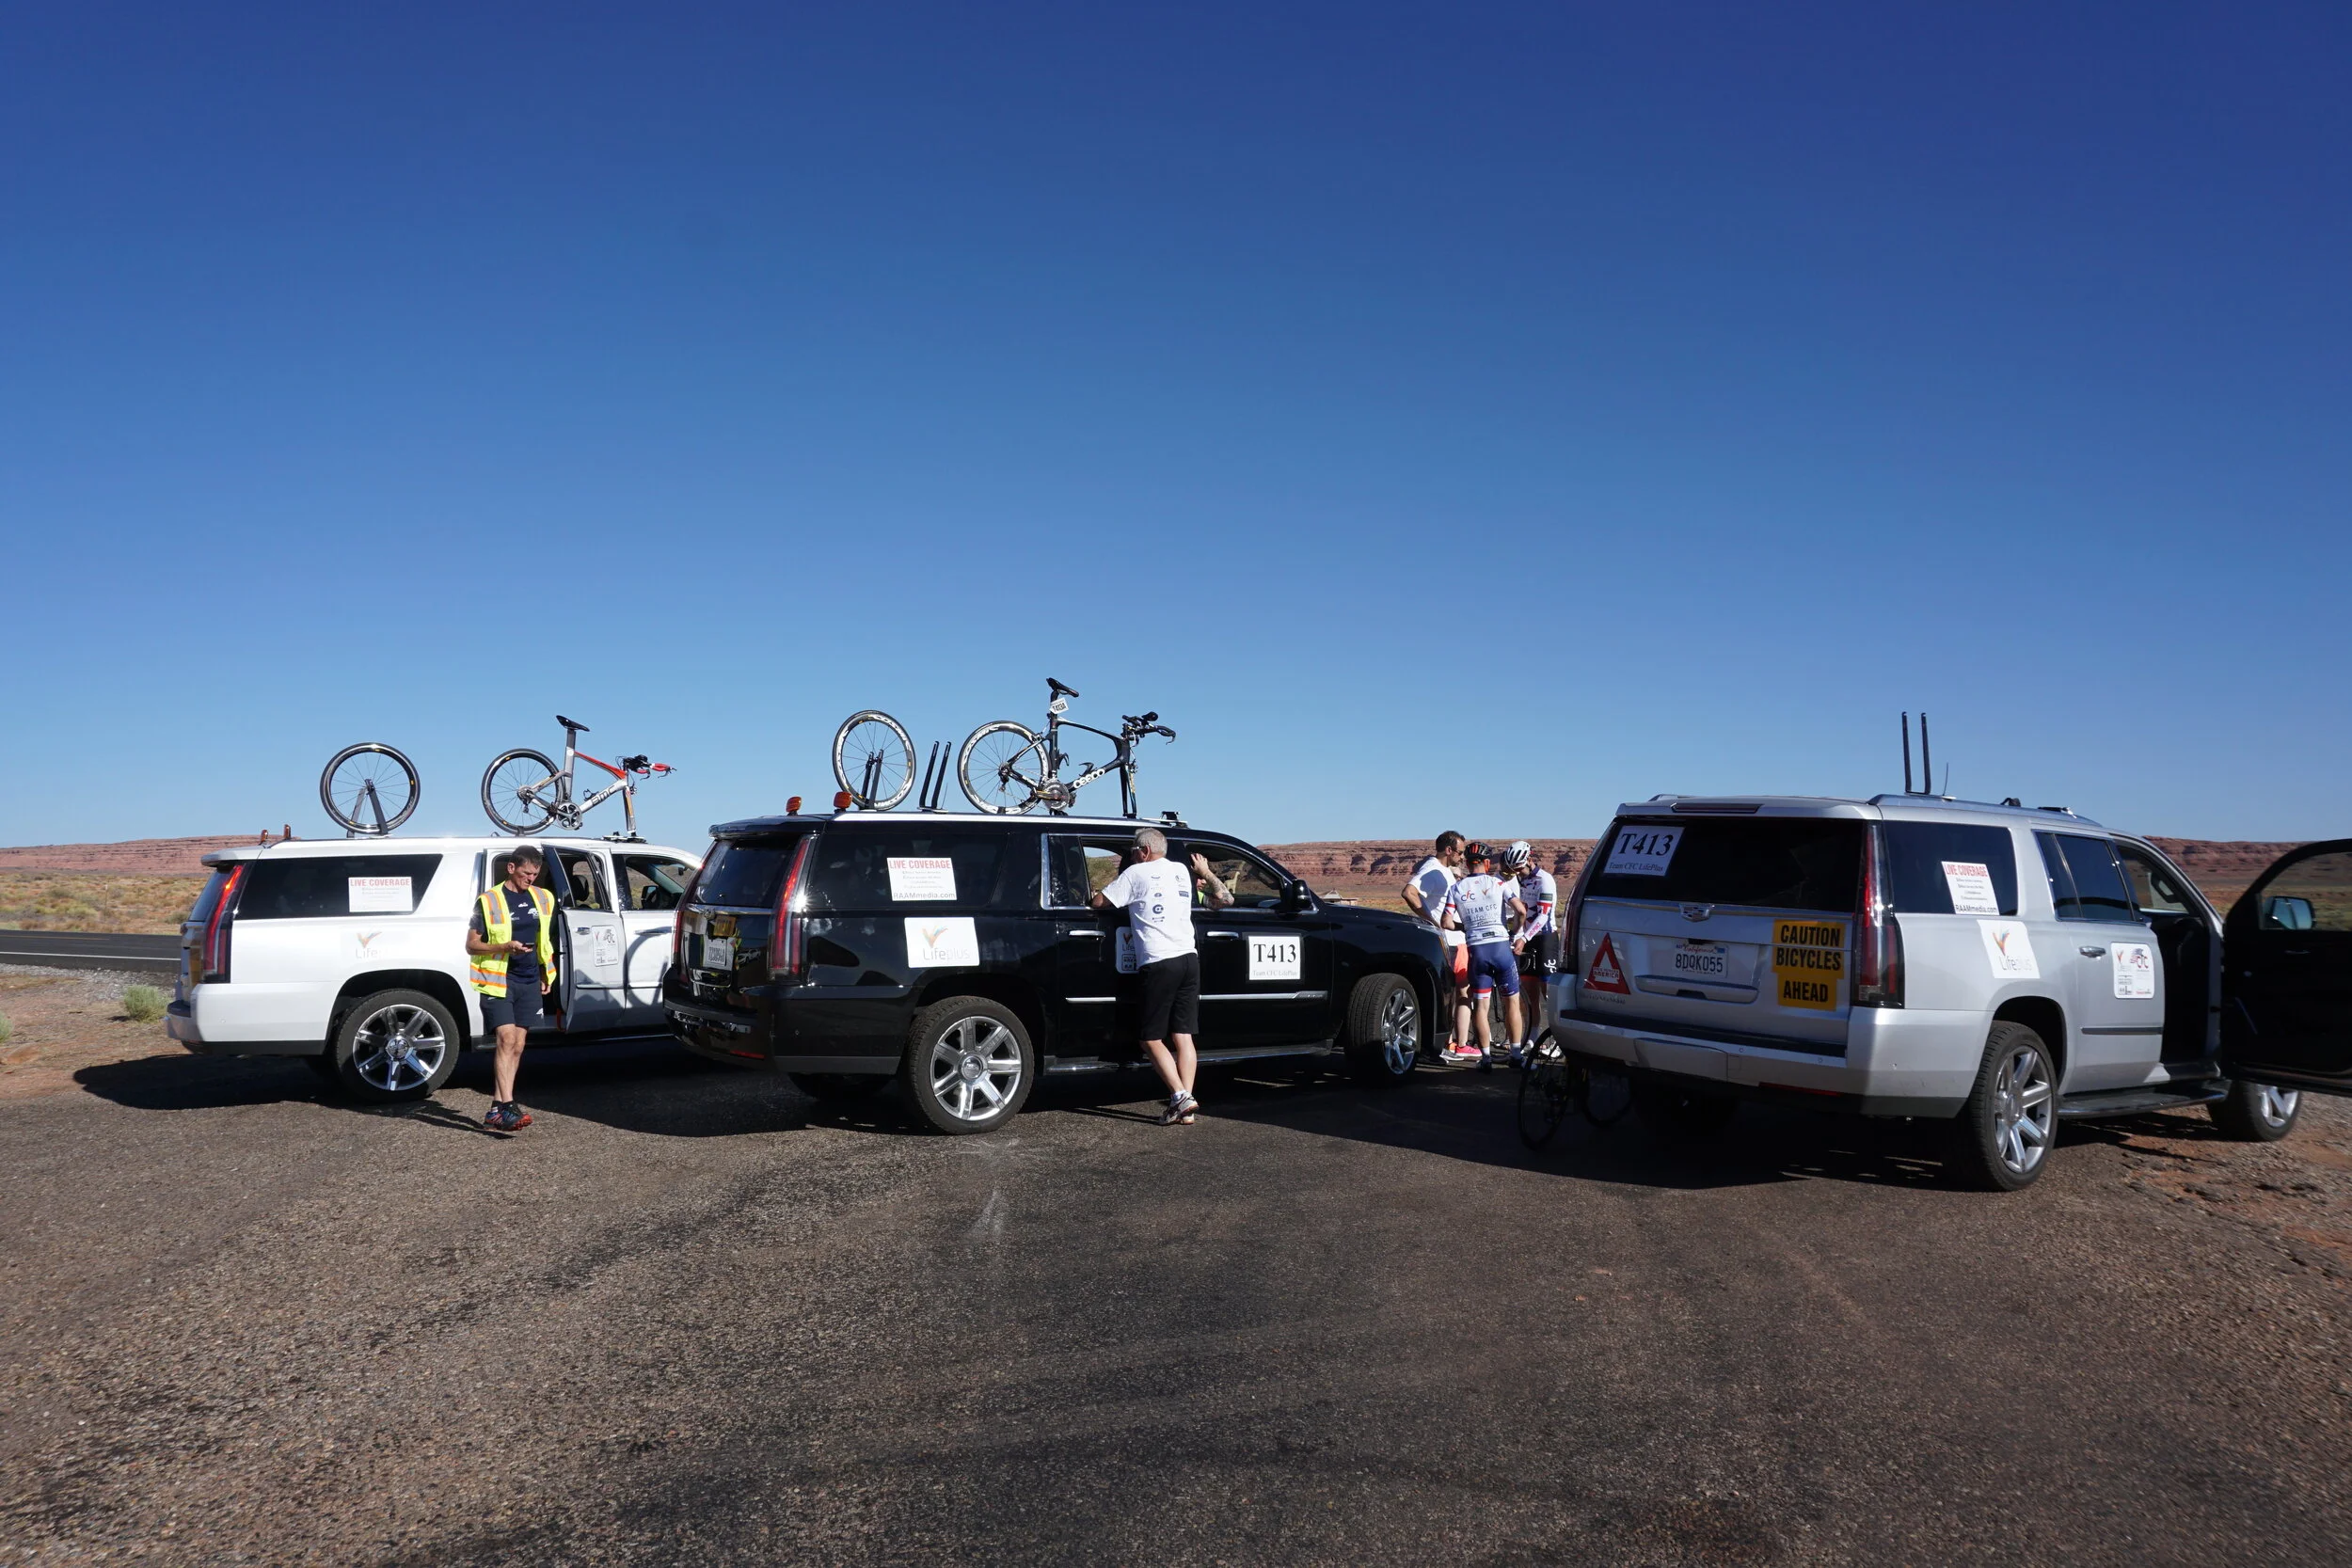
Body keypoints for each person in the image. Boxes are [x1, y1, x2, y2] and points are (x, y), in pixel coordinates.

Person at [1091, 827, 1230, 1125]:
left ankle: (1180, 1096)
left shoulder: (1136, 873)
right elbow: (1224, 900)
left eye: (1133, 852)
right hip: (1189, 959)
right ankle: (1184, 1106)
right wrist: (1205, 872)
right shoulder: (1181, 871)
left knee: (1150, 1038)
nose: (1131, 857)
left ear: (1144, 851)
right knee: (1183, 1036)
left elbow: (1099, 903)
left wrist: (1094, 894)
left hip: (1159, 961)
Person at [465, 846, 559, 1132]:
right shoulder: (488, 901)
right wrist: (505, 947)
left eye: (534, 874)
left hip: (529, 979)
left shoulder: (544, 897)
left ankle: (496, 1109)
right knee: (505, 1040)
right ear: (511, 868)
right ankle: (508, 1107)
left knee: (517, 1045)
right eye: (526, 873)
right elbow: (471, 945)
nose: (530, 878)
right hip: (499, 980)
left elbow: (543, 938)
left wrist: (543, 971)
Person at [1439, 842, 1528, 1069]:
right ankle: (1516, 1056)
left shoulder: (1456, 888)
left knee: (1480, 1006)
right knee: (1512, 1003)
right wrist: (1513, 932)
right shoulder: (1498, 882)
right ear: (1487, 863)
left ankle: (1486, 1058)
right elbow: (1521, 910)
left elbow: (1445, 922)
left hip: (1477, 952)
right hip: (1501, 947)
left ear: (1467, 863)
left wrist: (1465, 927)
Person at [1401, 831, 1470, 1059]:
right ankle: (1439, 1048)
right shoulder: (1433, 870)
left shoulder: (1443, 870)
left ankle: (1447, 1044)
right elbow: (1409, 892)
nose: (1462, 857)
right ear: (1448, 850)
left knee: (1454, 993)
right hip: (1447, 942)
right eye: (1460, 852)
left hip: (1453, 940)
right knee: (1446, 994)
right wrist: (1431, 921)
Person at [1504, 841, 1560, 1063]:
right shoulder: (1517, 880)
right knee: (1530, 993)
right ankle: (1533, 1037)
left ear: (1529, 859)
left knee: (1549, 994)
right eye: (1514, 869)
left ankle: (1559, 1041)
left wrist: (1524, 937)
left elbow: (1543, 916)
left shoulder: (1545, 879)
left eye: (1519, 867)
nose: (1517, 872)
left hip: (1545, 939)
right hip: (1525, 939)